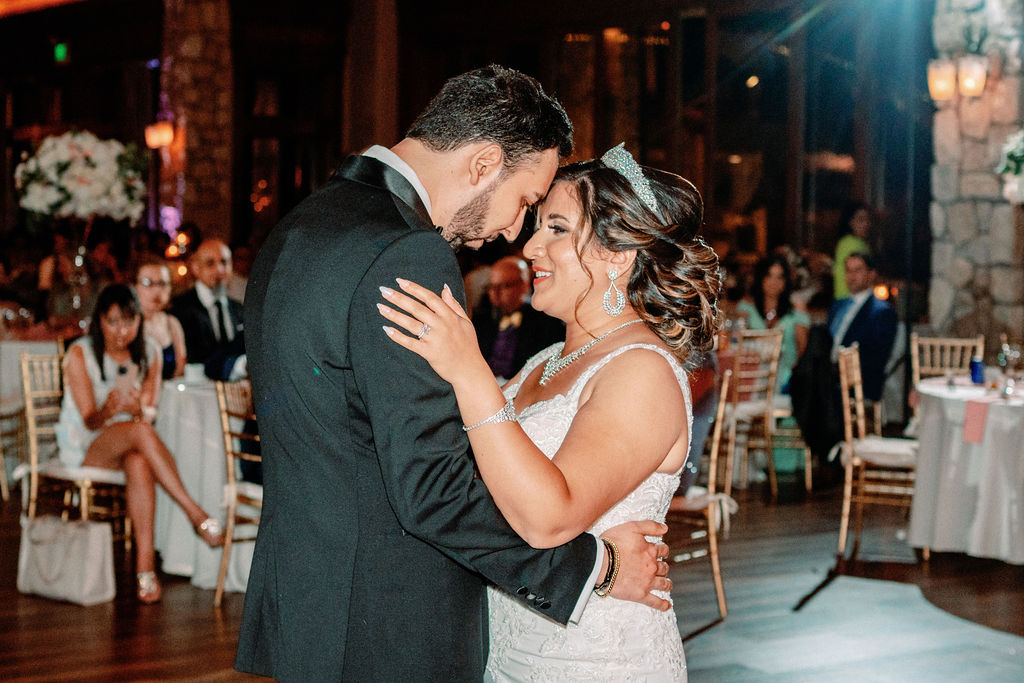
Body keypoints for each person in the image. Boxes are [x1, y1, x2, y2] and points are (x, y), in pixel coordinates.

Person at [236, 66, 671, 682]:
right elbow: (433, 488)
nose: (514, 234)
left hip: (310, 607)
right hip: (393, 625)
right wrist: (595, 570)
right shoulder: (405, 252)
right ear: (483, 163)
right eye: (525, 202)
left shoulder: (302, 225)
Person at [379, 145, 721, 680]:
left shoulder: (643, 370)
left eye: (557, 228)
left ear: (618, 254)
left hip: (594, 660)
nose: (531, 245)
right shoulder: (544, 361)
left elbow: (549, 517)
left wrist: (470, 371)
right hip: (512, 650)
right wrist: (603, 566)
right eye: (538, 225)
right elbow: (474, 480)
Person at [55, 284, 223, 603]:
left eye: (129, 322)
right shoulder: (81, 352)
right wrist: (109, 410)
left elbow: (149, 412)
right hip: (87, 444)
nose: (122, 331)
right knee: (139, 433)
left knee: (139, 459)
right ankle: (196, 514)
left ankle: (145, 571)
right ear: (99, 322)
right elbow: (89, 419)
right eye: (113, 322)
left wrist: (136, 409)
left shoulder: (150, 351)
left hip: (130, 442)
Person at [472, 255, 564, 382]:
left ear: (524, 286)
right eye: (492, 287)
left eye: (504, 286)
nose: (495, 293)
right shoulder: (481, 319)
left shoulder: (547, 322)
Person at [170, 238, 245, 380]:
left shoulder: (238, 309)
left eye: (224, 262)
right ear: (196, 268)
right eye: (210, 263)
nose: (220, 270)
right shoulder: (180, 308)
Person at [827, 252, 897, 403]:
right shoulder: (838, 306)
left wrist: (840, 366)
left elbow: (876, 358)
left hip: (857, 379)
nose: (852, 276)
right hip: (828, 374)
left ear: (871, 274)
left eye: (857, 270)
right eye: (848, 271)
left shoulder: (881, 311)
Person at [736, 254, 810, 393]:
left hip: (787, 379)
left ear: (785, 281)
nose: (773, 282)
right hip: (752, 376)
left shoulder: (796, 309)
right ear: (761, 278)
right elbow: (738, 341)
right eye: (769, 275)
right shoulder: (746, 307)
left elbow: (803, 352)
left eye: (779, 277)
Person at [133, 258, 186, 380]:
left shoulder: (172, 323)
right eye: (148, 283)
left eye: (162, 284)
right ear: (134, 286)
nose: (157, 291)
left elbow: (180, 370)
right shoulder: (128, 324)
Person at [832, 202, 872, 300]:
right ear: (850, 222)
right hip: (849, 299)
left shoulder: (860, 243)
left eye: (868, 219)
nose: (866, 224)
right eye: (861, 220)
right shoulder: (850, 243)